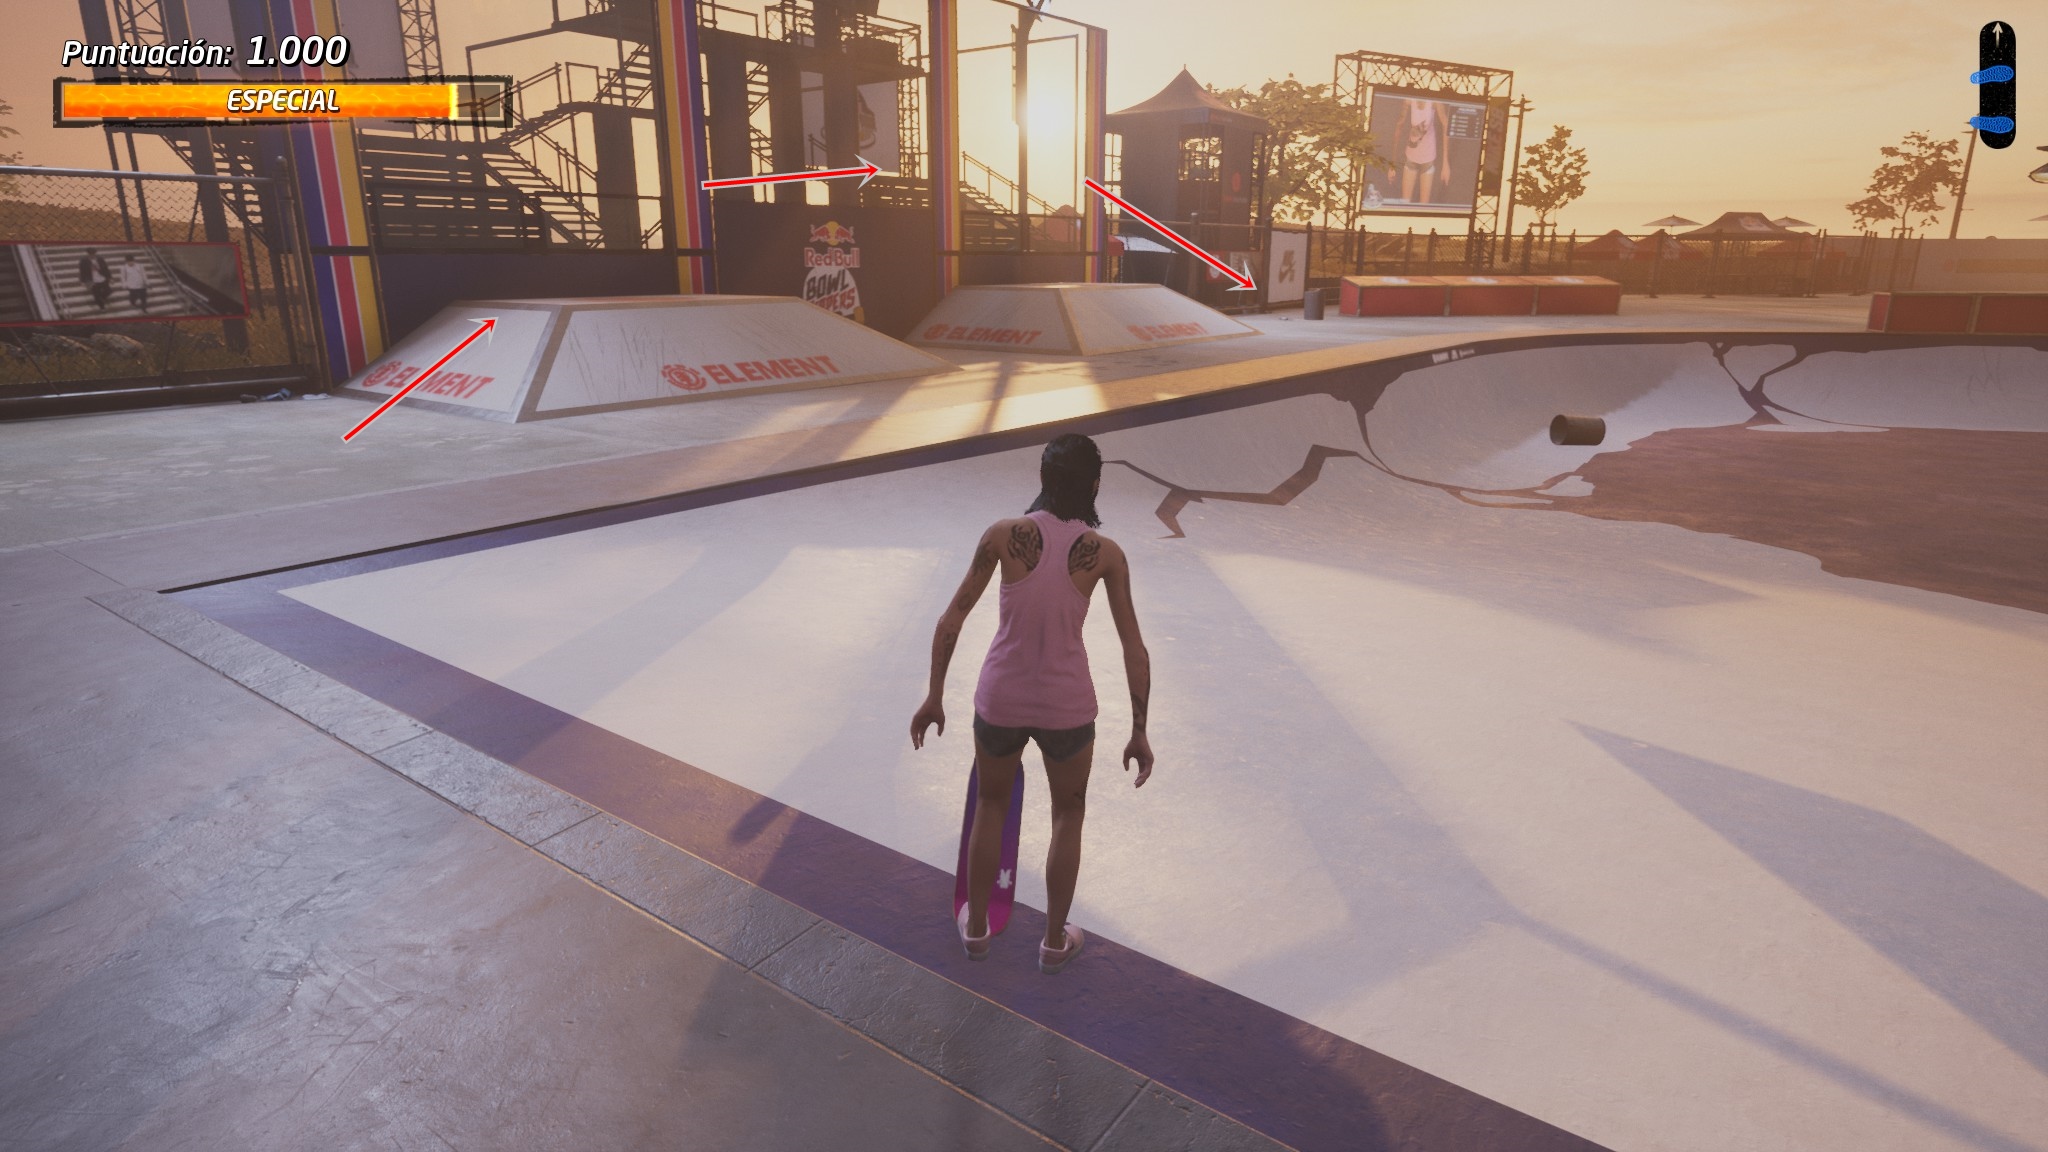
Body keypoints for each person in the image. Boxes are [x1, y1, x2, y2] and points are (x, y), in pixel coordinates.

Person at [910, 433, 1154, 974]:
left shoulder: (1002, 535)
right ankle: (1052, 942)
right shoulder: (1107, 555)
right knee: (1068, 815)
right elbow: (1133, 647)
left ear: (1042, 478)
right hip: (1068, 708)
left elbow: (951, 619)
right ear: (1094, 484)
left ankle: (977, 930)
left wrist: (935, 695)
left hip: (1001, 698)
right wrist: (1139, 728)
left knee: (990, 804)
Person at [1398, 97, 1448, 205]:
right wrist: (1391, 164)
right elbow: (1399, 124)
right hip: (1411, 156)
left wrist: (1445, 164)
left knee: (1424, 205)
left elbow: (1446, 125)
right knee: (1404, 203)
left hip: (1428, 157)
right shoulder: (1409, 100)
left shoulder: (1435, 101)